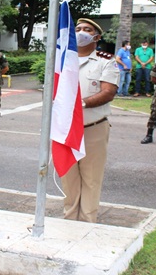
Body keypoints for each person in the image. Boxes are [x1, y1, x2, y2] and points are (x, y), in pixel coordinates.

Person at [61, 18, 118, 223]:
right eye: (78, 29)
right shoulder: (64, 60)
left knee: (91, 180)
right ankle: (69, 221)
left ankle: (87, 225)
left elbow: (108, 92)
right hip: (65, 130)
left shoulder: (105, 61)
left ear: (97, 37)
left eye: (87, 29)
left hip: (92, 128)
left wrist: (80, 105)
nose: (81, 32)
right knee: (69, 180)